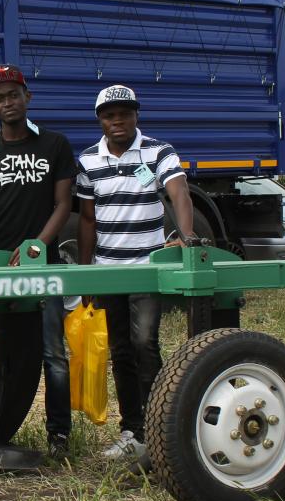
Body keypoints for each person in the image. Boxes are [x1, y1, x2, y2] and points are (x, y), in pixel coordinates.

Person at [76, 84, 195, 460]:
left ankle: (161, 427)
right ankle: (133, 431)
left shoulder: (159, 152)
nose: (118, 121)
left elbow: (179, 193)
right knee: (121, 350)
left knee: (145, 344)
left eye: (125, 113)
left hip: (146, 267)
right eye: (110, 115)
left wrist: (188, 236)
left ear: (136, 115)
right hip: (108, 270)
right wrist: (86, 273)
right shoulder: (88, 161)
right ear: (100, 120)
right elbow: (86, 221)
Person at [0, 65, 77, 459]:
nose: (7, 102)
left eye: (14, 94)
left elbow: (64, 205)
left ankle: (59, 434)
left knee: (51, 353)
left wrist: (37, 248)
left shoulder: (55, 146)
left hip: (42, 265)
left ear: (27, 97)